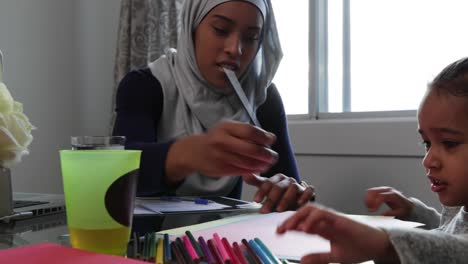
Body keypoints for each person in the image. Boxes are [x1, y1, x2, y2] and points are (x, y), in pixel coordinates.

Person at [112, 0, 315, 213]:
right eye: (221, 30)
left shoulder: (262, 97)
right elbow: (118, 175)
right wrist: (186, 153)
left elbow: (289, 188)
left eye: (251, 38)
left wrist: (290, 193)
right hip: (147, 243)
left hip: (223, 242)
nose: (235, 49)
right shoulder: (145, 85)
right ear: (192, 28)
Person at [277, 57, 468, 264]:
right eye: (427, 143)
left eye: (449, 143)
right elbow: (451, 236)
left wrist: (385, 244)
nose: (429, 160)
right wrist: (416, 214)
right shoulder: (459, 206)